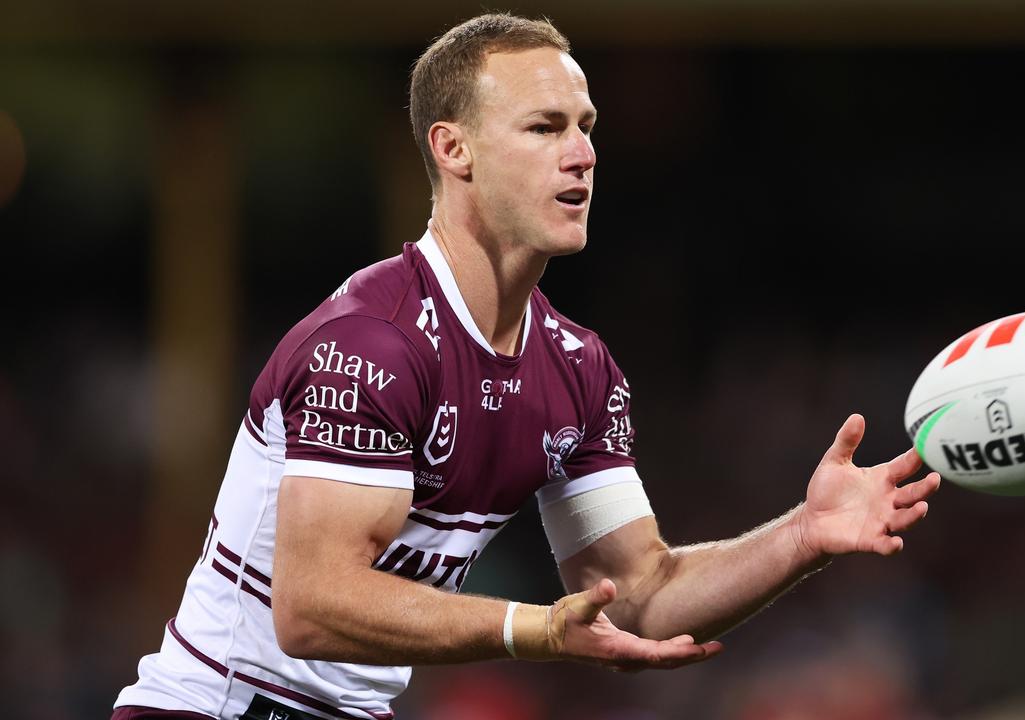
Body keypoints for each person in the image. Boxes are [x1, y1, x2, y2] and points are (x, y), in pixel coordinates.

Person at [113, 12, 941, 720]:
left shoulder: (579, 369)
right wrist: (535, 630)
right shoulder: (370, 343)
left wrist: (805, 534)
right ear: (454, 150)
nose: (581, 154)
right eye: (545, 128)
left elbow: (639, 596)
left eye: (586, 127)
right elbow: (311, 607)